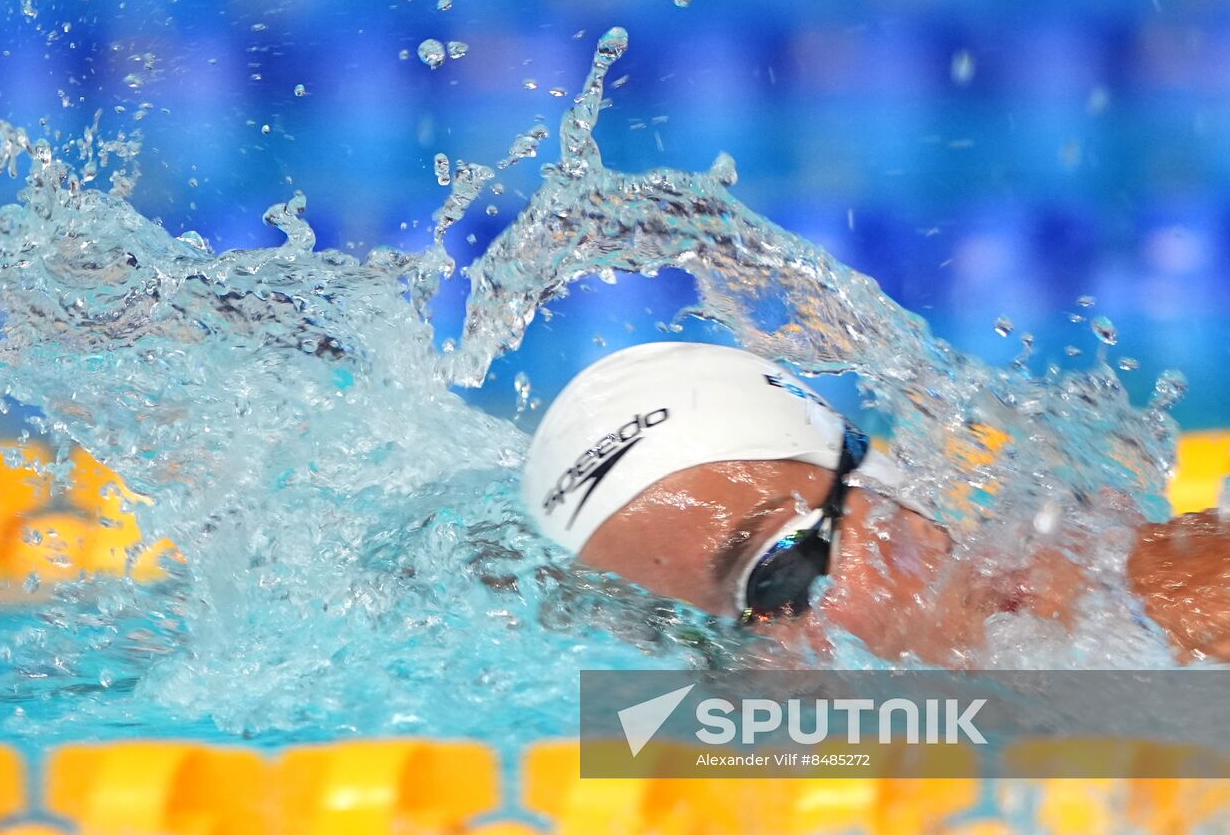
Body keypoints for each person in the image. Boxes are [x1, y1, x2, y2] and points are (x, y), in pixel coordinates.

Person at [521, 342, 1230, 664]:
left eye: (782, 575)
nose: (778, 656)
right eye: (706, 645)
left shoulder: (1167, 611)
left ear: (883, 491)